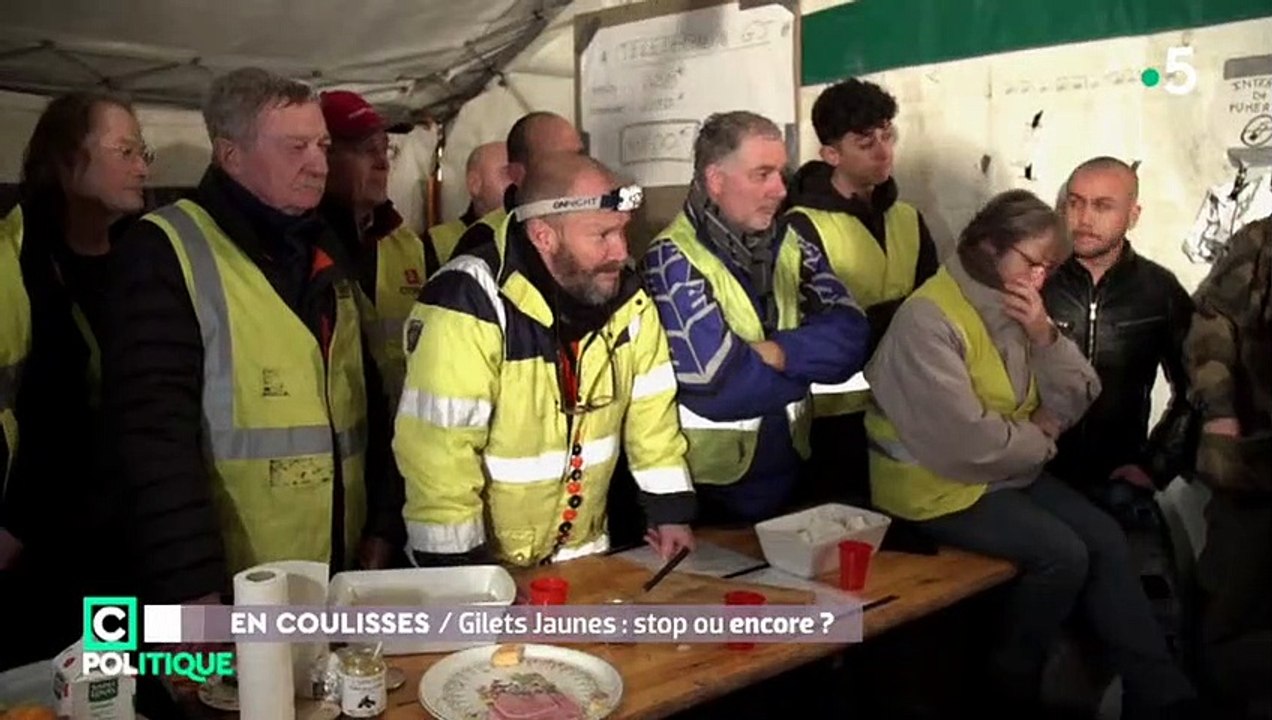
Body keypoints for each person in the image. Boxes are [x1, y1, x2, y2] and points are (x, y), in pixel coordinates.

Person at [865, 189, 1197, 717]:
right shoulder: (929, 319)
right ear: (988, 245)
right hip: (934, 485)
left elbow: (1080, 390)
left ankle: (1162, 695)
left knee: (1106, 537)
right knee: (1061, 554)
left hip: (1004, 470)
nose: (1040, 278)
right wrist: (1043, 437)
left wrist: (1043, 336)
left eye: (1049, 267)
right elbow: (967, 443)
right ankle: (1010, 683)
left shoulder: (1014, 303)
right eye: (1033, 262)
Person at [101, 68, 403, 607]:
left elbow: (368, 403)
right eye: (295, 147)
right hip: (228, 589)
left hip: (336, 581)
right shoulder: (164, 252)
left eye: (323, 145)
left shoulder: (327, 250)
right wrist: (191, 595)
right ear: (231, 154)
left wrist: (381, 524)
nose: (317, 163)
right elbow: (151, 442)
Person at [394, 153, 695, 567]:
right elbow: (439, 456)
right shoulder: (468, 302)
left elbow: (653, 417)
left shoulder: (629, 300)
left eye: (622, 232)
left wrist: (670, 512)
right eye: (601, 235)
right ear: (543, 236)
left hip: (583, 563)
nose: (620, 250)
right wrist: (463, 578)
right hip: (483, 569)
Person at [641, 111, 870, 523]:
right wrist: (807, 368)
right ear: (715, 180)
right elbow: (720, 385)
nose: (780, 190)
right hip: (713, 495)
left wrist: (777, 352)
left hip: (796, 476)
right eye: (762, 174)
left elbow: (853, 335)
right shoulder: (671, 257)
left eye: (781, 174)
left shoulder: (790, 241)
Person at [0, 91, 150, 670]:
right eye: (125, 150)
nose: (142, 166)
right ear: (66, 162)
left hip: (124, 544)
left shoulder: (146, 260)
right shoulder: (17, 264)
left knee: (118, 685)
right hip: (36, 554)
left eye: (145, 151)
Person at [784, 78, 939, 507]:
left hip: (903, 403)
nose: (883, 149)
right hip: (835, 417)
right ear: (831, 154)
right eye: (864, 141)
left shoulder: (908, 218)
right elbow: (813, 330)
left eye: (887, 134)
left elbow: (936, 311)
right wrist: (899, 315)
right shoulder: (801, 226)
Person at [1044, 157, 1196, 504]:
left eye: (1102, 206)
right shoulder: (1037, 281)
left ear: (1133, 215)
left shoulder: (1159, 291)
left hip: (1118, 485)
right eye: (1075, 203)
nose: (1084, 219)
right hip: (1034, 478)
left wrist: (1156, 466)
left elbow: (1197, 388)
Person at [1183, 212, 1272, 717]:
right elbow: (1213, 323)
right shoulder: (1260, 242)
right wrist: (1220, 411)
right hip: (1256, 463)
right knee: (1225, 614)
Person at [318, 88, 426, 410]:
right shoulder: (300, 246)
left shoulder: (407, 244)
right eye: (367, 150)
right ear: (323, 157)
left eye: (387, 150)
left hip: (398, 440)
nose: (382, 163)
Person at [448, 112, 583, 259]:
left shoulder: (591, 219)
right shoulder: (484, 239)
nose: (578, 169)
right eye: (561, 161)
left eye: (579, 157)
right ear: (518, 174)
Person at [424, 141, 509, 267]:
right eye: (506, 173)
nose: (518, 182)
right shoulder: (435, 242)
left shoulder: (535, 234)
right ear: (474, 184)